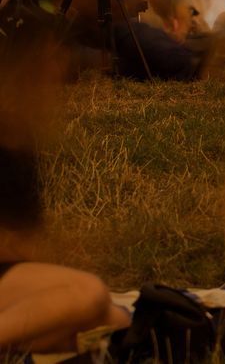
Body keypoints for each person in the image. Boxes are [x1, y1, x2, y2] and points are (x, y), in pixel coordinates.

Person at [0, 24, 132, 356]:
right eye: (49, 58)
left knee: (115, 320)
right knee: (88, 294)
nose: (58, 67)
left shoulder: (24, 136)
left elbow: (24, 244)